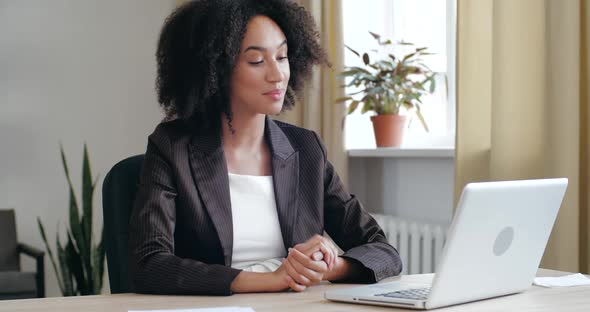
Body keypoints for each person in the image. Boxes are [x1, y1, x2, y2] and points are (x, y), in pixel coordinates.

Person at [128, 0, 402, 296]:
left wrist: (328, 268)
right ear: (216, 69)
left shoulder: (306, 148)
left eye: (282, 57)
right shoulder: (172, 147)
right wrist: (272, 279)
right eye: (257, 61)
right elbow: (150, 264)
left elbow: (383, 251)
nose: (277, 74)